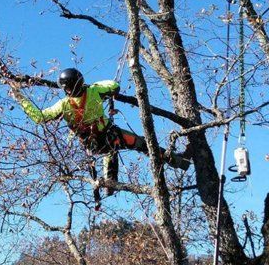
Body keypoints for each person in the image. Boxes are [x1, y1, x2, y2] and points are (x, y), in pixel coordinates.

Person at [10, 67, 190, 189]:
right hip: (110, 135)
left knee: (111, 151)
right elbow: (113, 85)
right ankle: (178, 161)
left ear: (66, 88)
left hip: (93, 145)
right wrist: (97, 88)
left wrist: (20, 97)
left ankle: (110, 182)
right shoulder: (94, 91)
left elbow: (39, 117)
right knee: (143, 145)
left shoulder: (63, 105)